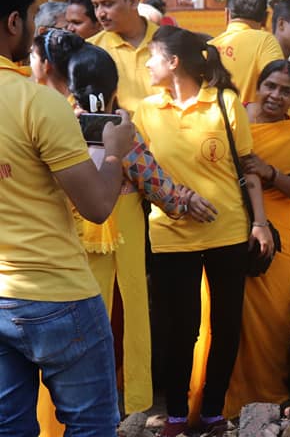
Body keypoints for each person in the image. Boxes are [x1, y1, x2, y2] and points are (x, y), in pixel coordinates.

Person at [32, 34, 217, 421]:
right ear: (112, 86)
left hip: (63, 251)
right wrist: (185, 200)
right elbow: (157, 185)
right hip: (121, 252)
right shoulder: (122, 132)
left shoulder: (56, 124)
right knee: (123, 325)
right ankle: (124, 408)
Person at [0, 0, 135, 436]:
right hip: (57, 294)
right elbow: (96, 207)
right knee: (91, 426)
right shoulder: (38, 103)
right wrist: (115, 152)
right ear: (13, 22)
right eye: (33, 14)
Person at [133, 26, 274, 435]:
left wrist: (260, 223)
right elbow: (141, 173)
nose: (147, 65)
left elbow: (247, 169)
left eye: (153, 57)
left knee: (226, 325)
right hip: (169, 235)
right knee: (180, 328)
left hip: (228, 233)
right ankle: (177, 413)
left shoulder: (225, 103)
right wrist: (180, 198)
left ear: (173, 62)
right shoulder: (146, 110)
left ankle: (212, 409)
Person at [223, 61, 290, 416]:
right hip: (226, 226)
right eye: (271, 86)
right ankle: (220, 402)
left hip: (274, 241)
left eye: (286, 91)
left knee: (271, 320)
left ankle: (266, 398)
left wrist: (270, 172)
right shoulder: (233, 117)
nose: (276, 95)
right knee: (221, 315)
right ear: (258, 86)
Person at [88, 0, 159, 115]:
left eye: (107, 4)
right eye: (95, 6)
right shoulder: (91, 50)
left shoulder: (168, 42)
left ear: (133, 1)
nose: (100, 13)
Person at [209, 0, 285, 104]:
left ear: (227, 14)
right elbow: (279, 83)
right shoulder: (265, 41)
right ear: (265, 18)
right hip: (249, 117)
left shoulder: (209, 46)